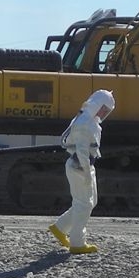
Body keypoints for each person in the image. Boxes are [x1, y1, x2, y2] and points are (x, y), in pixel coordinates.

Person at [49, 89, 115, 254]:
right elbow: (82, 152)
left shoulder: (86, 120)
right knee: (84, 204)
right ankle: (77, 243)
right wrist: (86, 172)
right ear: (98, 105)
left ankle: (60, 227)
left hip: (82, 166)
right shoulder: (84, 123)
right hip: (79, 166)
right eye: (104, 109)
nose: (104, 113)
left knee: (87, 203)